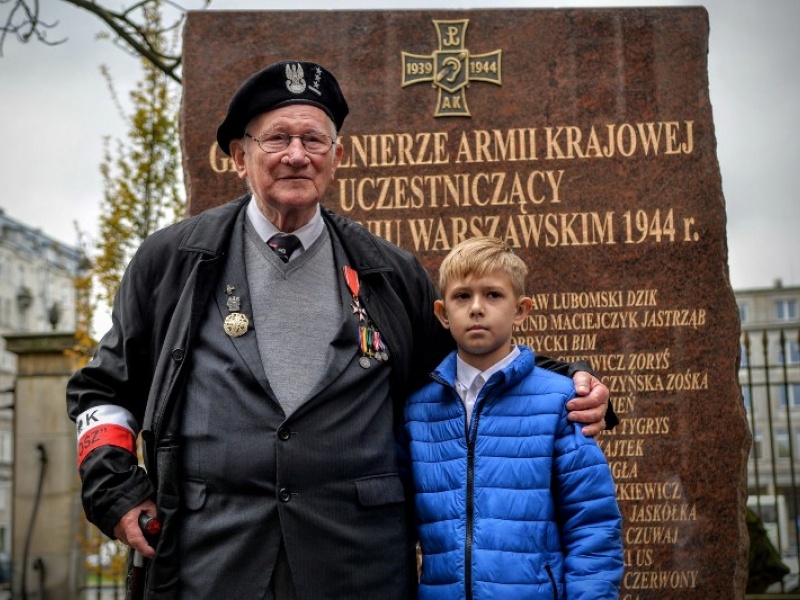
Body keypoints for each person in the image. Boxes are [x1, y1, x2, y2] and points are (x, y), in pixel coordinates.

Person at [66, 60, 614, 599]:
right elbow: (104, 390)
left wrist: (571, 377)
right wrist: (114, 488)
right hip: (211, 556)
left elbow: (464, 356)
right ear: (240, 156)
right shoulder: (174, 261)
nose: (297, 156)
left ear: (338, 157)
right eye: (277, 138)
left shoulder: (387, 271)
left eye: (314, 140)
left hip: (356, 562)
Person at [405, 236, 623, 599]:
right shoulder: (418, 411)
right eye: (462, 296)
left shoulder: (560, 402)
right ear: (443, 314)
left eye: (493, 295)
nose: (476, 308)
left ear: (521, 309)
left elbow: (592, 524)